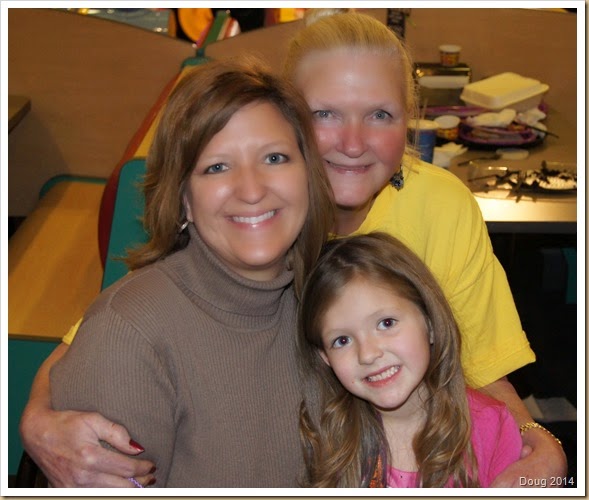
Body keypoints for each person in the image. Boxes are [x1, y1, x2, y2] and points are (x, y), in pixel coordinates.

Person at [19, 9, 566, 488]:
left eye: (380, 114)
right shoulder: (254, 236)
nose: (352, 143)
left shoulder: (436, 204)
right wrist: (36, 420)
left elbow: (482, 368)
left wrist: (538, 443)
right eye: (325, 114)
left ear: (409, 124)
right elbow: (112, 338)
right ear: (292, 125)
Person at [42, 56, 334, 487]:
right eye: (217, 167)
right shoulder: (128, 336)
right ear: (183, 200)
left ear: (308, 176)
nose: (252, 189)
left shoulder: (329, 301)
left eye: (274, 158)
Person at [297, 232, 522, 487]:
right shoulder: (322, 438)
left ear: (430, 322)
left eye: (386, 323)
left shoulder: (492, 427)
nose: (367, 354)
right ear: (325, 357)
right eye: (342, 340)